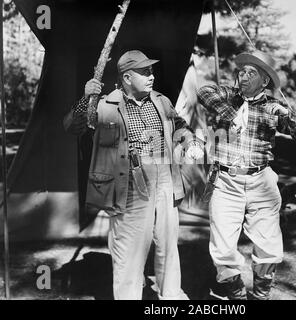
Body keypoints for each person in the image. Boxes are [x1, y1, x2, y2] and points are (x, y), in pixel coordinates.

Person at [63, 50, 204, 300]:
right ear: (127, 77)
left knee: (168, 244)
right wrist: (86, 98)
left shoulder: (161, 101)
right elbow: (72, 127)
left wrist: (190, 141)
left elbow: (180, 126)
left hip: (165, 178)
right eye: (145, 72)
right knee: (128, 249)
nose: (151, 76)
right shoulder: (105, 104)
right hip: (128, 182)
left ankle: (171, 296)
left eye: (151, 71)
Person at [197, 50, 296, 300]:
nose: (243, 76)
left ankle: (261, 294)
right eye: (241, 71)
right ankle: (236, 294)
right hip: (225, 182)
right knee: (222, 247)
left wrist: (288, 117)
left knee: (268, 245)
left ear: (265, 81)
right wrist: (230, 114)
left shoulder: (273, 106)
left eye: (251, 72)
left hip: (261, 182)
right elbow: (203, 92)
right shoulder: (229, 96)